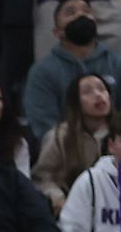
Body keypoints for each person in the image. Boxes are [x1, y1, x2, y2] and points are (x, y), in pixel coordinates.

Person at [32, 73, 116, 214]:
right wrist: (57, 197)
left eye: (102, 89)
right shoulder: (59, 136)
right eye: (87, 91)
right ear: (75, 102)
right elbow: (41, 177)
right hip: (71, 207)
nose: (98, 95)